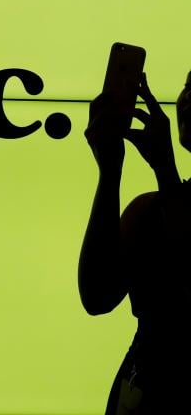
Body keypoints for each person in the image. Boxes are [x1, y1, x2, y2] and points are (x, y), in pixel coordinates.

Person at [80, 71, 191, 413]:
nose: (188, 98)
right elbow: (97, 294)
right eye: (188, 85)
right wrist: (110, 170)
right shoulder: (151, 208)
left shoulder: (156, 207)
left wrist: (165, 170)